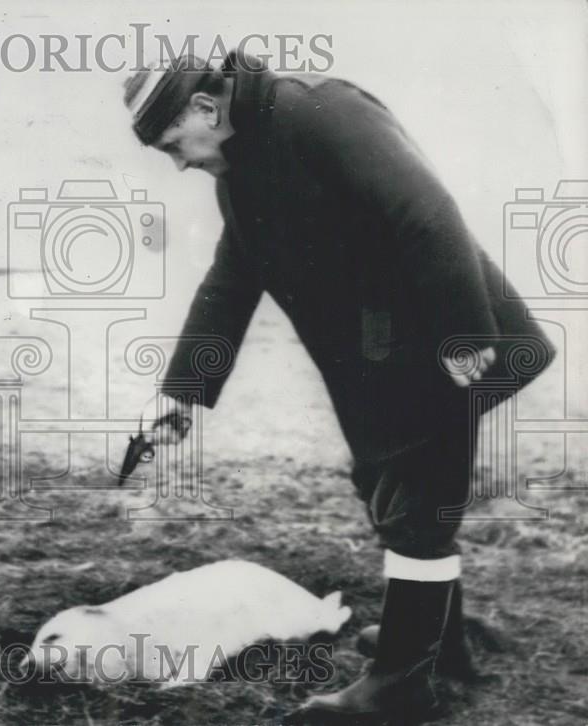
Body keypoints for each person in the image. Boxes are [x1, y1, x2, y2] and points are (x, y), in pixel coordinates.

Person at [122, 52, 554, 722]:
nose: (179, 164)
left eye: (175, 146)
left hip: (441, 339)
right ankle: (436, 645)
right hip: (389, 354)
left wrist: (465, 333)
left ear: (205, 109)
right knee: (394, 488)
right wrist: (183, 392)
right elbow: (233, 277)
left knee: (415, 502)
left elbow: (426, 211)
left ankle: (402, 685)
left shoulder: (319, 109)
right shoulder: (244, 161)